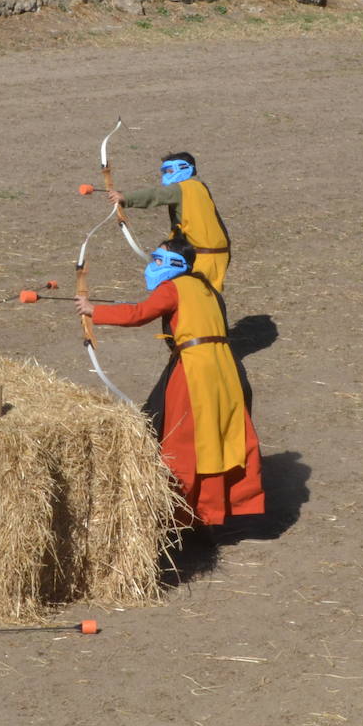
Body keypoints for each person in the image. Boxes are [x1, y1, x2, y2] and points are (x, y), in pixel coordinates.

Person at [74, 237, 264, 527]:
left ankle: (182, 516)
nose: (153, 266)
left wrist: (93, 310)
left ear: (177, 263)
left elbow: (139, 314)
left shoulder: (173, 287)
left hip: (196, 370)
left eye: (159, 260)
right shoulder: (207, 288)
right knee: (218, 437)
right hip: (225, 369)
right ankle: (209, 511)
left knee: (183, 438)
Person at [107, 152, 232, 290]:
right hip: (210, 256)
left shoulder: (185, 187)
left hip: (205, 258)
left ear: (184, 168)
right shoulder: (198, 187)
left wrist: (125, 198)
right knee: (205, 297)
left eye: (170, 171)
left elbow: (157, 195)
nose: (166, 175)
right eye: (164, 171)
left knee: (199, 297)